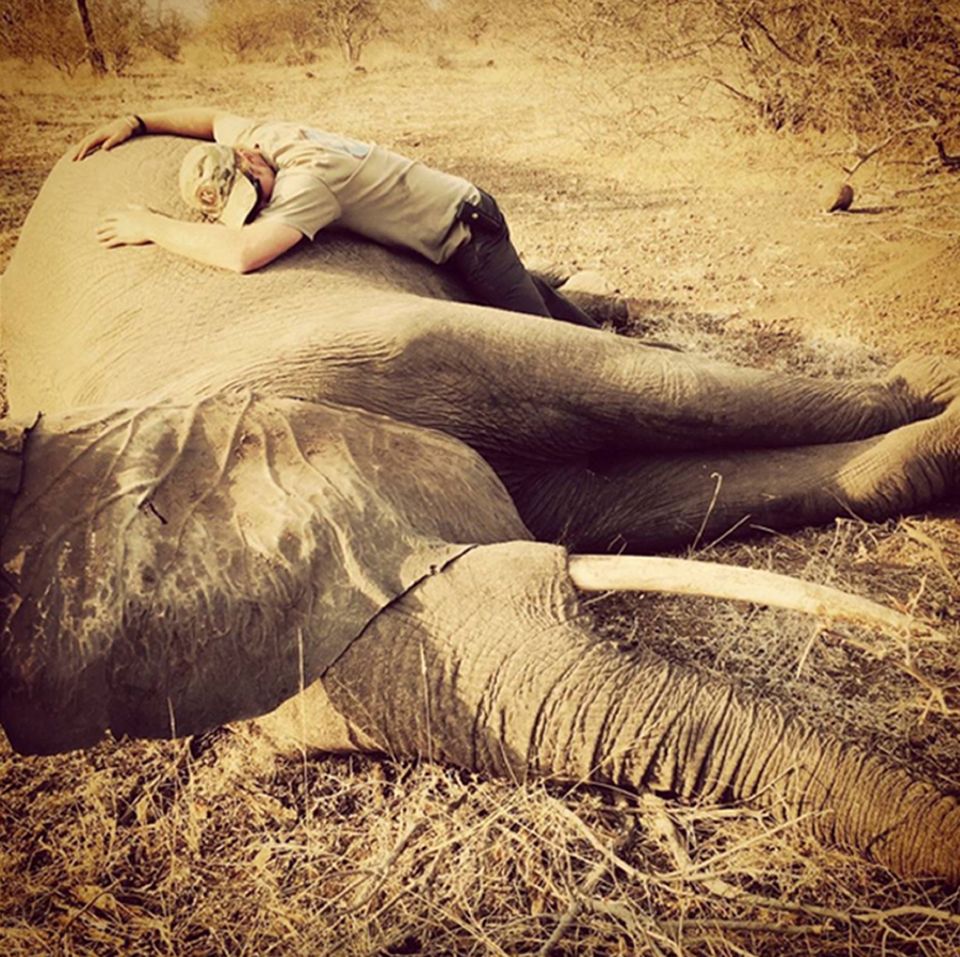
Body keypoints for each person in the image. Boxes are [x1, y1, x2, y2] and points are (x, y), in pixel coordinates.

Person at [74, 108, 600, 329]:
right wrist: (139, 119)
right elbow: (211, 120)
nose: (259, 208)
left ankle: (630, 368)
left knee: (541, 335)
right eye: (247, 209)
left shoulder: (309, 183)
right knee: (539, 302)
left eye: (254, 194)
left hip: (466, 231)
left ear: (250, 162)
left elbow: (242, 255)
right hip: (455, 209)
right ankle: (607, 337)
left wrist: (152, 226)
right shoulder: (266, 136)